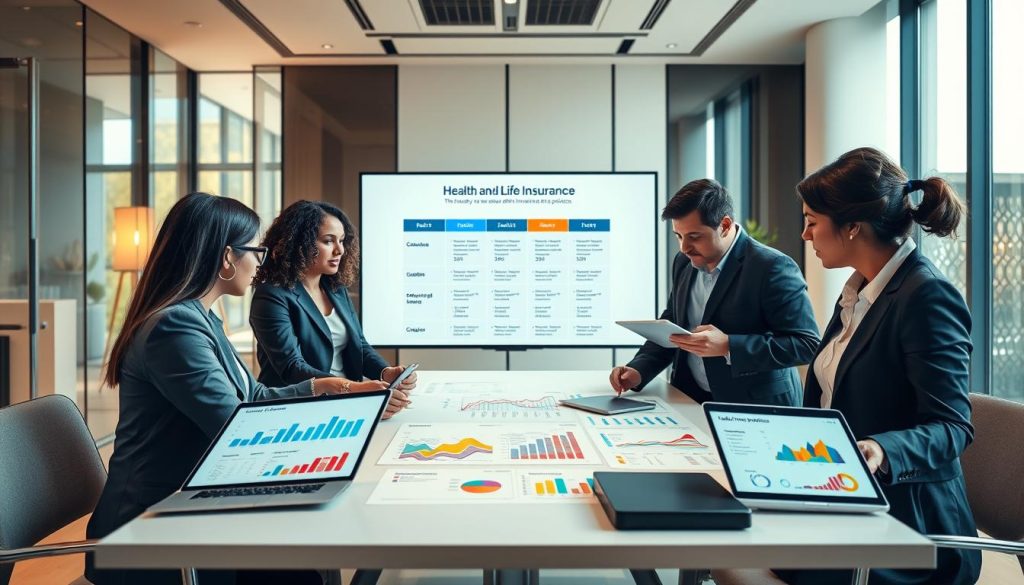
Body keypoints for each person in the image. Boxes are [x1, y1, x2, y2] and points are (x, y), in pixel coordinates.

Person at [86, 193, 386, 585]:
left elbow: (253, 398)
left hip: (190, 508)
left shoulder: (202, 318)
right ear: (227, 257)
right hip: (150, 530)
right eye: (254, 249)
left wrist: (321, 388)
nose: (260, 259)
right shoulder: (175, 328)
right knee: (299, 575)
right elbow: (235, 430)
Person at [716, 147, 982, 585]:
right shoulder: (858, 293)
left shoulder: (926, 297)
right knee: (738, 527)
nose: (805, 234)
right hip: (847, 497)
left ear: (853, 227)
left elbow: (952, 427)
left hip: (909, 528)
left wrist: (881, 449)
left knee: (757, 546)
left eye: (813, 222)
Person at [610, 179, 819, 405]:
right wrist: (638, 369)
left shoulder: (772, 267)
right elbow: (674, 325)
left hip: (757, 408)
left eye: (694, 236)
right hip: (692, 399)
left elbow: (805, 344)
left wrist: (729, 345)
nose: (684, 247)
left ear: (725, 225)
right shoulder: (683, 261)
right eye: (679, 236)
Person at [249, 200, 416, 415]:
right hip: (300, 408)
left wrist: (385, 372)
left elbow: (359, 346)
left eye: (342, 241)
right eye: (328, 241)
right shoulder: (271, 295)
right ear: (299, 243)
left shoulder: (335, 289)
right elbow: (291, 367)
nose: (339, 250)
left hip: (347, 400)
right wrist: (354, 390)